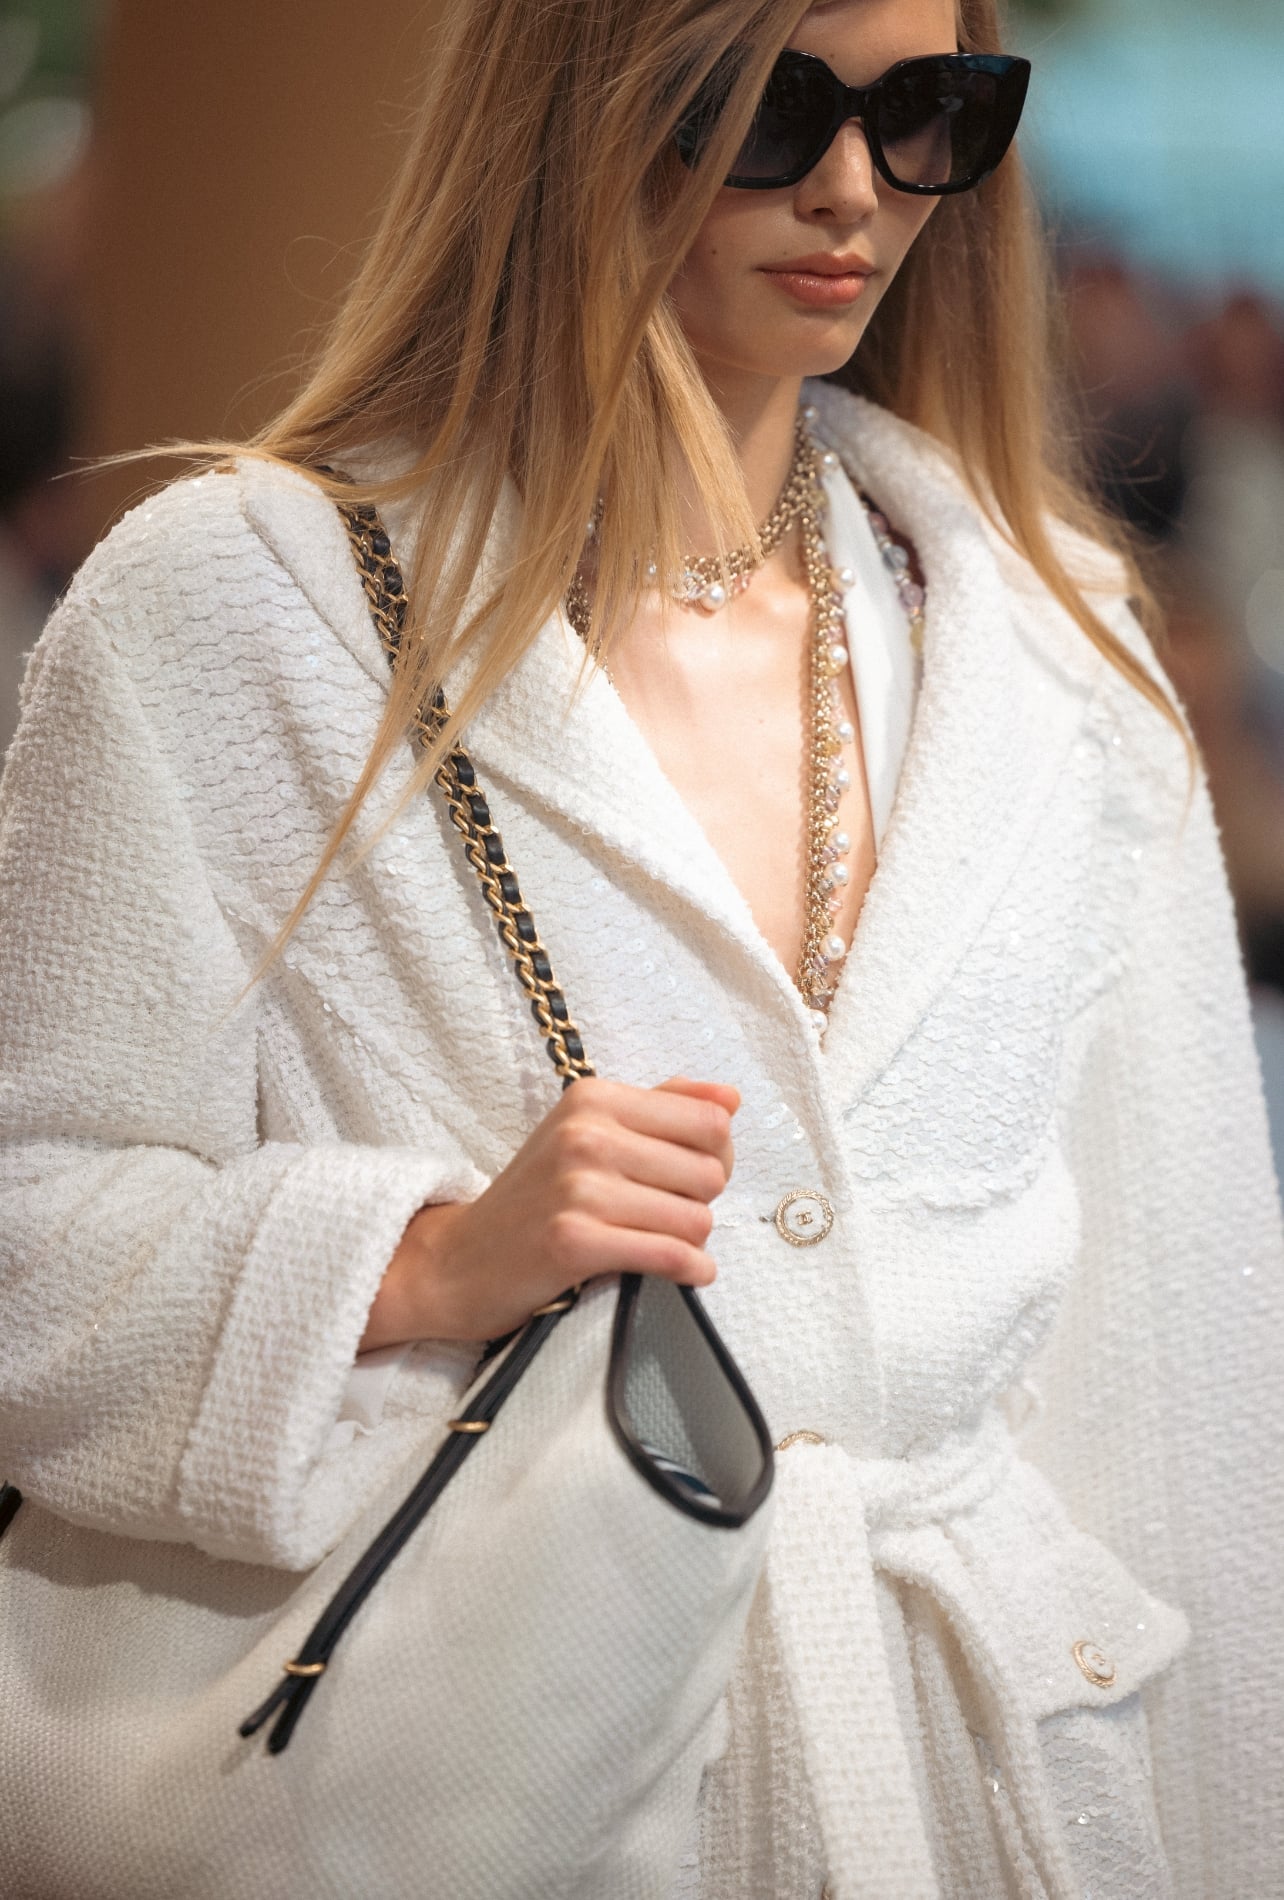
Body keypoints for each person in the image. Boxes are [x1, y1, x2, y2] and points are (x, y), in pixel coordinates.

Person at [1, 0, 1281, 1895]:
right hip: (498, 1767)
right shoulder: (232, 612)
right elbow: (31, 1226)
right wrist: (421, 1258)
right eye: (771, 110)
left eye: (935, 112)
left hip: (991, 1791)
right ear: (583, 105)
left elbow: (1180, 1384)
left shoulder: (1060, 662)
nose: (858, 185)